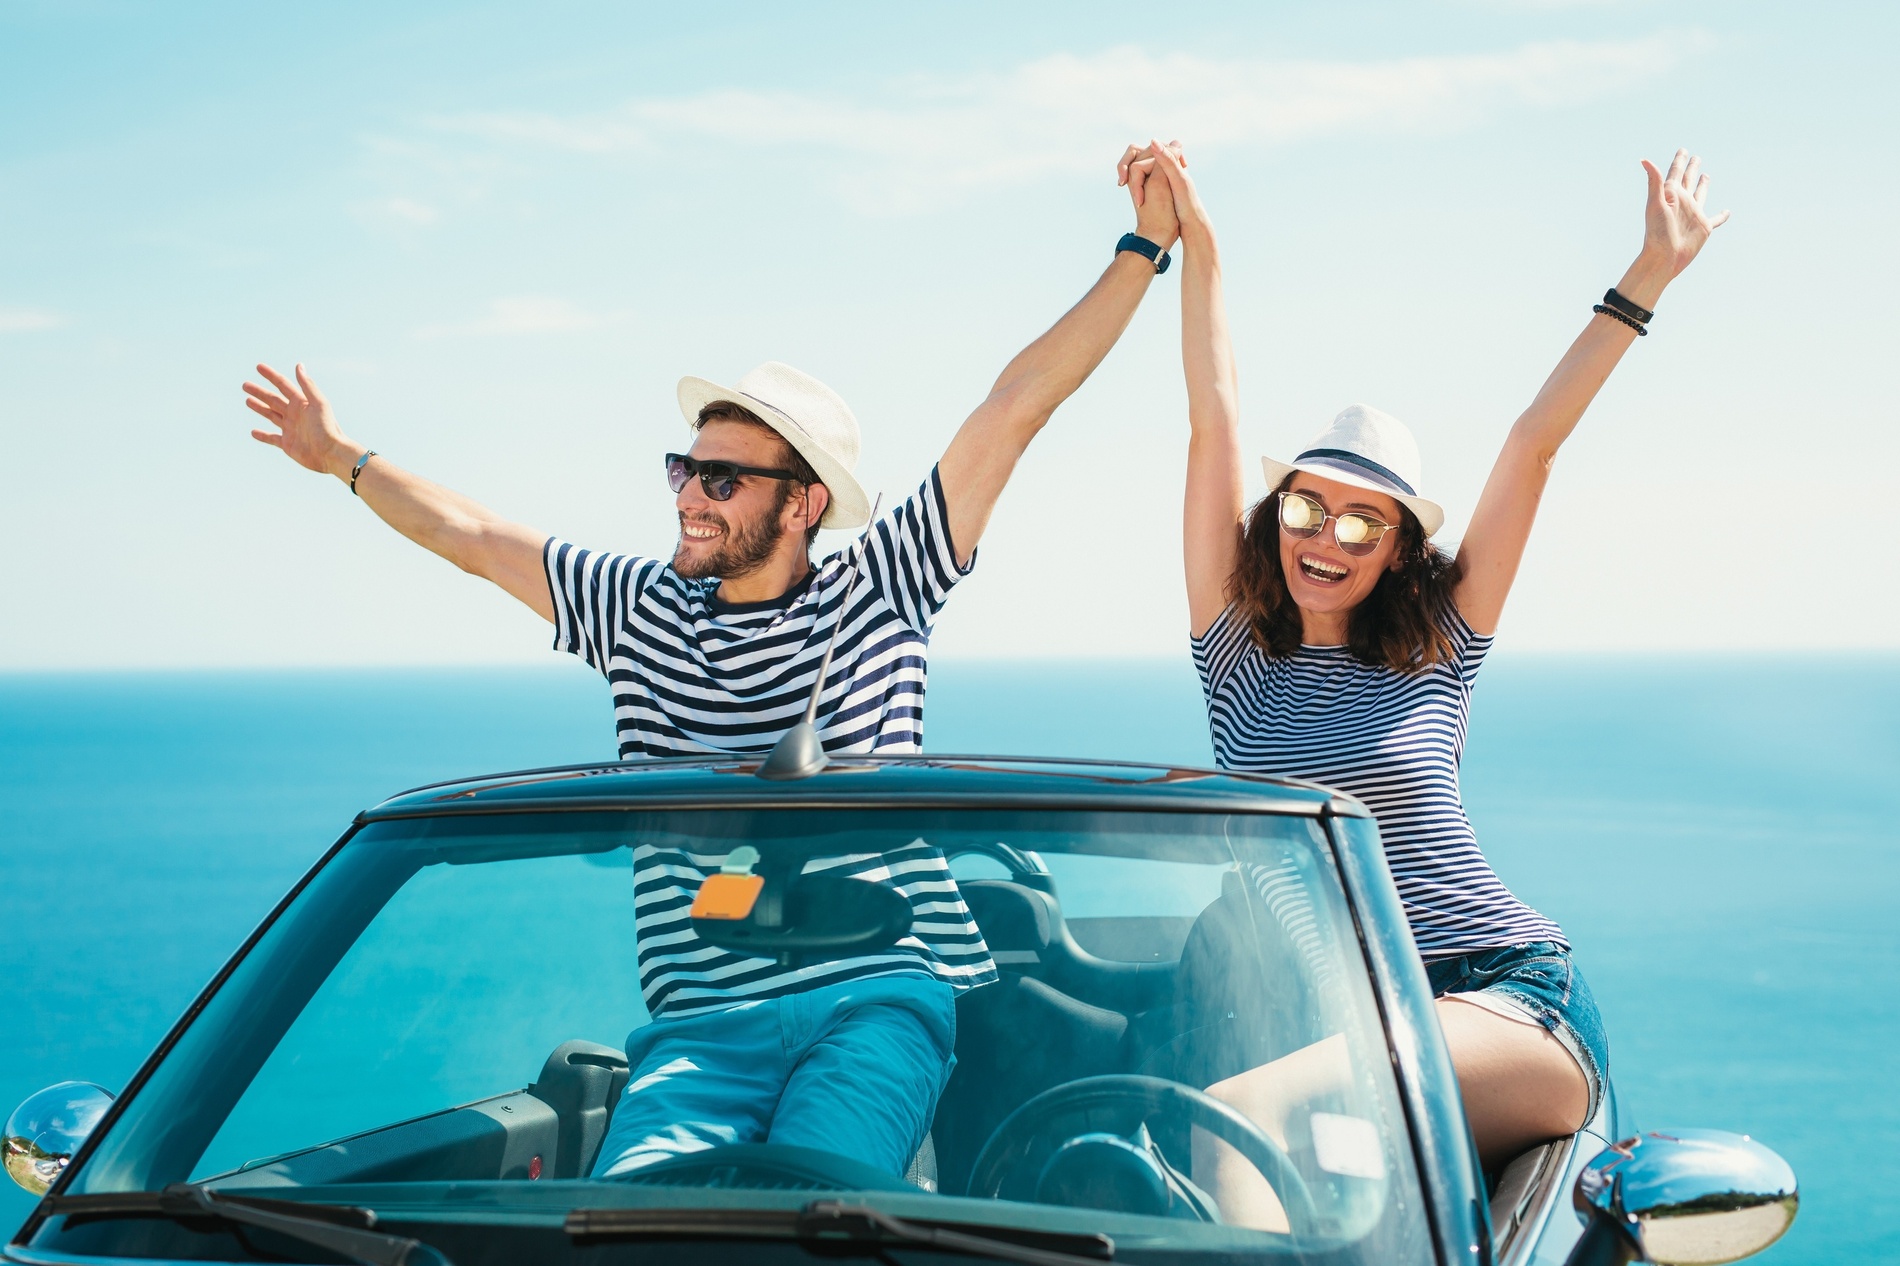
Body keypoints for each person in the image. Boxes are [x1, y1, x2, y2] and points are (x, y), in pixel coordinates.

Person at [240, 162, 1182, 1179]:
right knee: (630, 1231)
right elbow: (471, 534)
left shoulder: (881, 587)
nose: (688, 494)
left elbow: (1013, 407)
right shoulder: (638, 611)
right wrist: (342, 458)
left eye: (719, 478)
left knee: (818, 1214)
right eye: (682, 469)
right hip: (701, 1022)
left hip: (876, 998)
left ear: (803, 503)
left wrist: (1141, 251)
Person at [1126, 140, 1727, 1218]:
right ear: (1276, 521)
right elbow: (1212, 412)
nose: (1329, 534)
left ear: (1399, 549)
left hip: (1504, 997)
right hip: (1359, 1012)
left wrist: (1646, 278)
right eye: (1307, 507)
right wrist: (1196, 243)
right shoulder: (1234, 659)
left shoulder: (1439, 642)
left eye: (1365, 520)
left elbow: (1530, 444)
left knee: (1252, 1113)